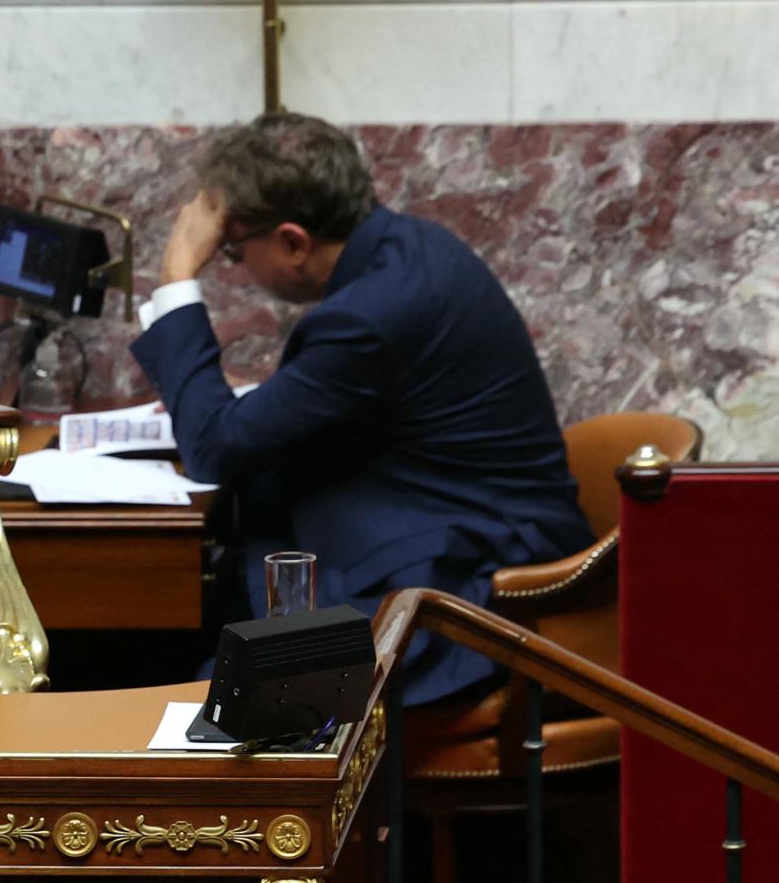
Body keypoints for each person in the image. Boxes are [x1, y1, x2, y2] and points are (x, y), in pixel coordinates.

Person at [129, 112, 589, 705]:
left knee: (212, 704)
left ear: (293, 242)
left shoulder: (371, 315)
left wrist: (176, 277)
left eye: (235, 253)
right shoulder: (410, 246)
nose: (235, 267)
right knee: (177, 643)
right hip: (429, 533)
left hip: (468, 594)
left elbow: (216, 448)